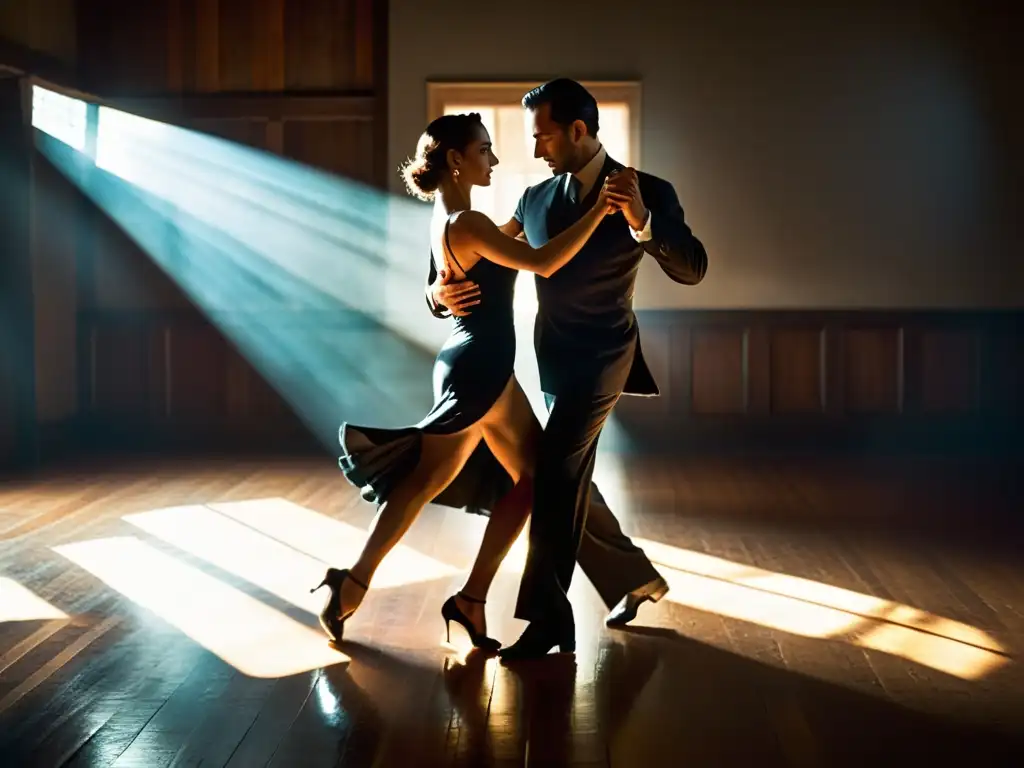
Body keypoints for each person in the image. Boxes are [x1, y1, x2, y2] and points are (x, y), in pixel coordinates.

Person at [312, 112, 621, 650]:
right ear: (456, 161)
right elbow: (543, 263)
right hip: (482, 368)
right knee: (536, 480)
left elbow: (492, 252)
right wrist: (599, 208)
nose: (494, 160)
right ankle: (469, 598)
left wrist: (529, 213)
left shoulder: (451, 220)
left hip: (466, 361)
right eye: (485, 150)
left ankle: (352, 585)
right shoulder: (466, 224)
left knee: (424, 484)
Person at [427, 79, 708, 660]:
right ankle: (634, 579)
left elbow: (693, 268)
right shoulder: (531, 200)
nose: (535, 151)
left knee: (554, 470)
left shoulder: (647, 189)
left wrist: (643, 221)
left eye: (543, 136)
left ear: (577, 130)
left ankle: (550, 620)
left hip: (606, 357)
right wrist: (436, 292)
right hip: (550, 359)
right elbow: (471, 254)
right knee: (567, 473)